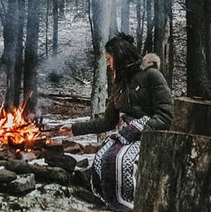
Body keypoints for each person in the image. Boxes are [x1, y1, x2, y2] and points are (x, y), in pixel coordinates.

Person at [59, 33, 173, 211]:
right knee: (101, 158)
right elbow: (108, 121)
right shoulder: (119, 83)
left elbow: (165, 115)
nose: (108, 63)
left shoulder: (152, 76)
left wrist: (139, 129)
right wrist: (74, 129)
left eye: (109, 59)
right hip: (125, 135)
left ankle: (127, 205)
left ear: (119, 57)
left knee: (122, 161)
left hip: (150, 135)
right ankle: (112, 202)